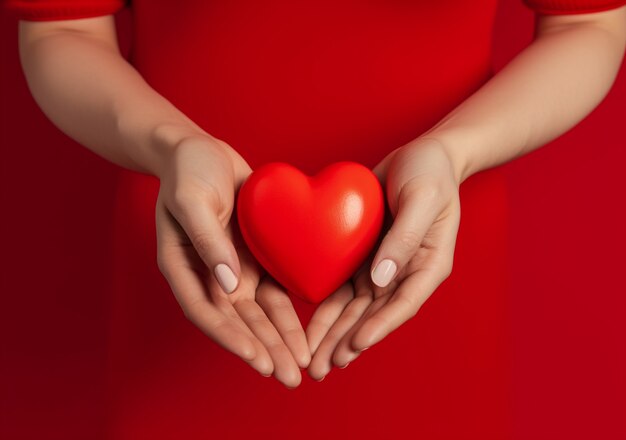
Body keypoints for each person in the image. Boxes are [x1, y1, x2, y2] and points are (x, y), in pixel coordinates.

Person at [7, 0, 626, 437]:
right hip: (197, 250)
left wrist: (454, 152)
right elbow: (64, 30)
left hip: (423, 251)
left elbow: (589, 25)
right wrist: (168, 146)